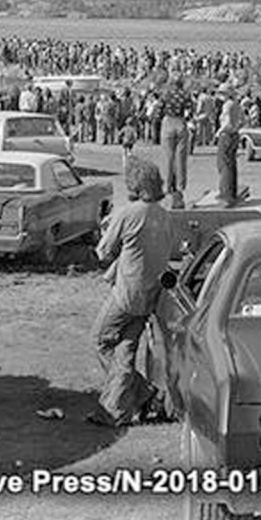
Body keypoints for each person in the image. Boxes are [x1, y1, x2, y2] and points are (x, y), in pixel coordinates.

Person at [88, 157, 174, 427]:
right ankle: (118, 409)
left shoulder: (129, 213)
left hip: (127, 292)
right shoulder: (164, 216)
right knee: (125, 348)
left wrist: (104, 230)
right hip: (151, 293)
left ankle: (143, 394)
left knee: (100, 340)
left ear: (135, 184)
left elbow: (104, 251)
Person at [158, 80, 191, 208]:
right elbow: (190, 110)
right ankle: (180, 186)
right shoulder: (185, 95)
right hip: (180, 122)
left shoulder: (166, 94)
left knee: (168, 157)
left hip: (168, 122)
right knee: (181, 157)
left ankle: (167, 186)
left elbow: (159, 108)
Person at [215, 87, 242, 207]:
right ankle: (232, 193)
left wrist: (219, 132)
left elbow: (226, 122)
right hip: (235, 134)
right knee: (231, 164)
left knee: (223, 164)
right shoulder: (236, 104)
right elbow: (243, 120)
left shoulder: (227, 105)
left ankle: (226, 195)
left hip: (226, 135)